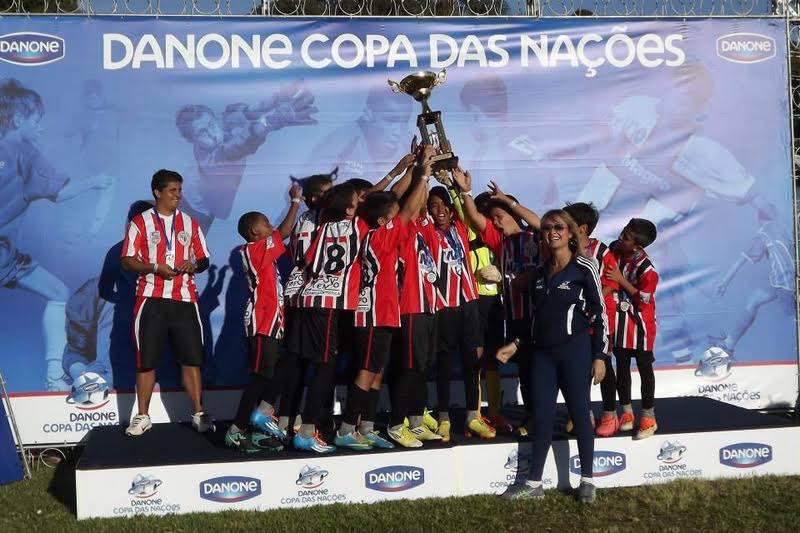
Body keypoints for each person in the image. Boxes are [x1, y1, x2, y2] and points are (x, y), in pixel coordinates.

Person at [0, 78, 112, 391]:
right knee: (59, 294)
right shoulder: (24, 150)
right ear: (19, 120)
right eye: (37, 121)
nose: (41, 127)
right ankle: (53, 376)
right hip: (4, 254)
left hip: (9, 257)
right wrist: (96, 182)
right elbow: (60, 193)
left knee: (58, 292)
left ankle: (54, 375)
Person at [497, 209, 608, 503]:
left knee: (580, 415)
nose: (552, 232)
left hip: (575, 352)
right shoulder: (540, 272)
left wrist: (600, 356)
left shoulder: (585, 267)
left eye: (558, 227)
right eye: (546, 228)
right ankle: (534, 484)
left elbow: (600, 314)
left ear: (570, 233)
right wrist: (516, 344)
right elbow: (538, 319)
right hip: (542, 357)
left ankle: (587, 480)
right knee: (543, 417)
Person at [335, 155, 431, 451]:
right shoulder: (377, 237)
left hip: (385, 313)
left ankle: (367, 427)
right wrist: (422, 175)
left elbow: (404, 203)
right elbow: (408, 208)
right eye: (393, 213)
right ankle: (346, 429)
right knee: (366, 372)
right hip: (372, 315)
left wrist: (414, 170)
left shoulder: (378, 230)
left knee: (376, 373)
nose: (399, 214)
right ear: (382, 221)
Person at [121, 169, 212, 436]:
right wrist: (154, 267)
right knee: (146, 362)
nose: (177, 195)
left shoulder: (189, 223)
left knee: (191, 360)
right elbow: (127, 260)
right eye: (172, 190)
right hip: (151, 299)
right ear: (157, 192)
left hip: (184, 299)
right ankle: (142, 416)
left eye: (180, 190)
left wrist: (194, 265)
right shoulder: (140, 222)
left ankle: (199, 413)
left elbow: (204, 259)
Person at [449, 169, 541, 435]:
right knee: (524, 370)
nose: (496, 223)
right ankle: (530, 417)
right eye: (494, 219)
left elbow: (538, 223)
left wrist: (508, 202)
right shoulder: (499, 241)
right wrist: (466, 192)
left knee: (542, 368)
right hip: (513, 316)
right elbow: (475, 218)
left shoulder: (536, 238)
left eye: (500, 217)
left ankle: (563, 414)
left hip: (538, 315)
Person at [225, 185, 303, 452]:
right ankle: (237, 429)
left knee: (280, 368)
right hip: (261, 320)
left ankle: (259, 420)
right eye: (266, 224)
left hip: (273, 321)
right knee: (260, 376)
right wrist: (295, 201)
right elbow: (284, 232)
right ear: (254, 232)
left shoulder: (263, 253)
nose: (271, 228)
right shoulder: (253, 250)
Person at [175, 82, 316, 229]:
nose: (212, 134)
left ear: (215, 119)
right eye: (202, 132)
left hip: (210, 206)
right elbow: (238, 145)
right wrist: (271, 121)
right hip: (196, 211)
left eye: (211, 125)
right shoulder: (211, 159)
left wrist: (276, 99)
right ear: (192, 140)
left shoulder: (221, 126)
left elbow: (245, 114)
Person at [293, 183, 367, 453]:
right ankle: (306, 430)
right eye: (357, 199)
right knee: (325, 365)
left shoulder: (324, 228)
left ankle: (313, 424)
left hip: (311, 299)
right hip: (327, 302)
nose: (362, 201)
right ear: (349, 209)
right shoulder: (358, 225)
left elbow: (309, 260)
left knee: (323, 363)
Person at [419, 184, 493, 442]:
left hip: (469, 304)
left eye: (444, 205)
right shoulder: (428, 232)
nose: (439, 210)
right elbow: (418, 209)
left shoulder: (461, 228)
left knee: (472, 363)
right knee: (444, 365)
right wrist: (424, 177)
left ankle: (473, 417)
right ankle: (444, 418)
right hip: (444, 307)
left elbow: (465, 210)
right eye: (434, 206)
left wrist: (454, 185)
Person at [277, 170, 336, 435]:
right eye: (327, 193)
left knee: (298, 358)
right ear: (313, 197)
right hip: (315, 294)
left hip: (297, 293)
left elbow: (290, 248)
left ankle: (287, 417)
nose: (332, 197)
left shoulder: (302, 218)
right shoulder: (326, 219)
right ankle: (311, 419)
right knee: (320, 360)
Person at [563, 202, 621, 437]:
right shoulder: (565, 250)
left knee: (603, 364)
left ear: (582, 228)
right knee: (578, 369)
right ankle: (582, 413)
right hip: (576, 320)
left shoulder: (601, 251)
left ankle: (609, 414)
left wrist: (591, 299)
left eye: (567, 223)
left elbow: (612, 283)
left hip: (600, 319)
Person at [606, 218, 659, 440]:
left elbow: (642, 300)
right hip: (620, 321)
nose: (620, 238)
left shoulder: (648, 270)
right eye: (623, 232)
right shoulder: (614, 250)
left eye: (626, 237)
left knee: (645, 368)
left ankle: (648, 416)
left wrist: (620, 280)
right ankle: (626, 412)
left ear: (637, 246)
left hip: (641, 324)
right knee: (622, 367)